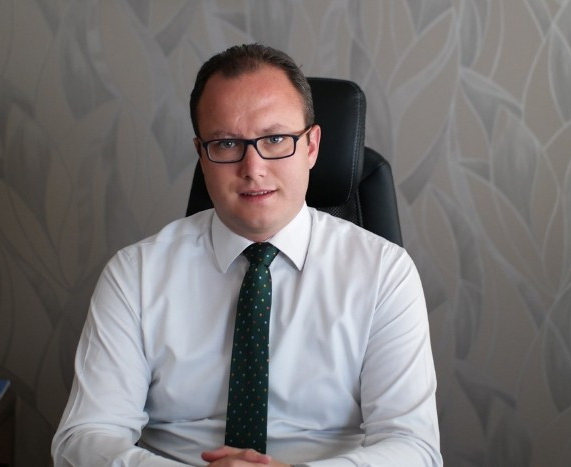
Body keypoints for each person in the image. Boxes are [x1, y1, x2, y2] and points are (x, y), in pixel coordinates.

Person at [52, 43, 442, 466]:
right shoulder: (136, 274)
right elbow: (83, 439)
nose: (253, 168)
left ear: (312, 146)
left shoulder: (384, 273)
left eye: (275, 139)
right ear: (202, 155)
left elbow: (415, 449)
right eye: (226, 144)